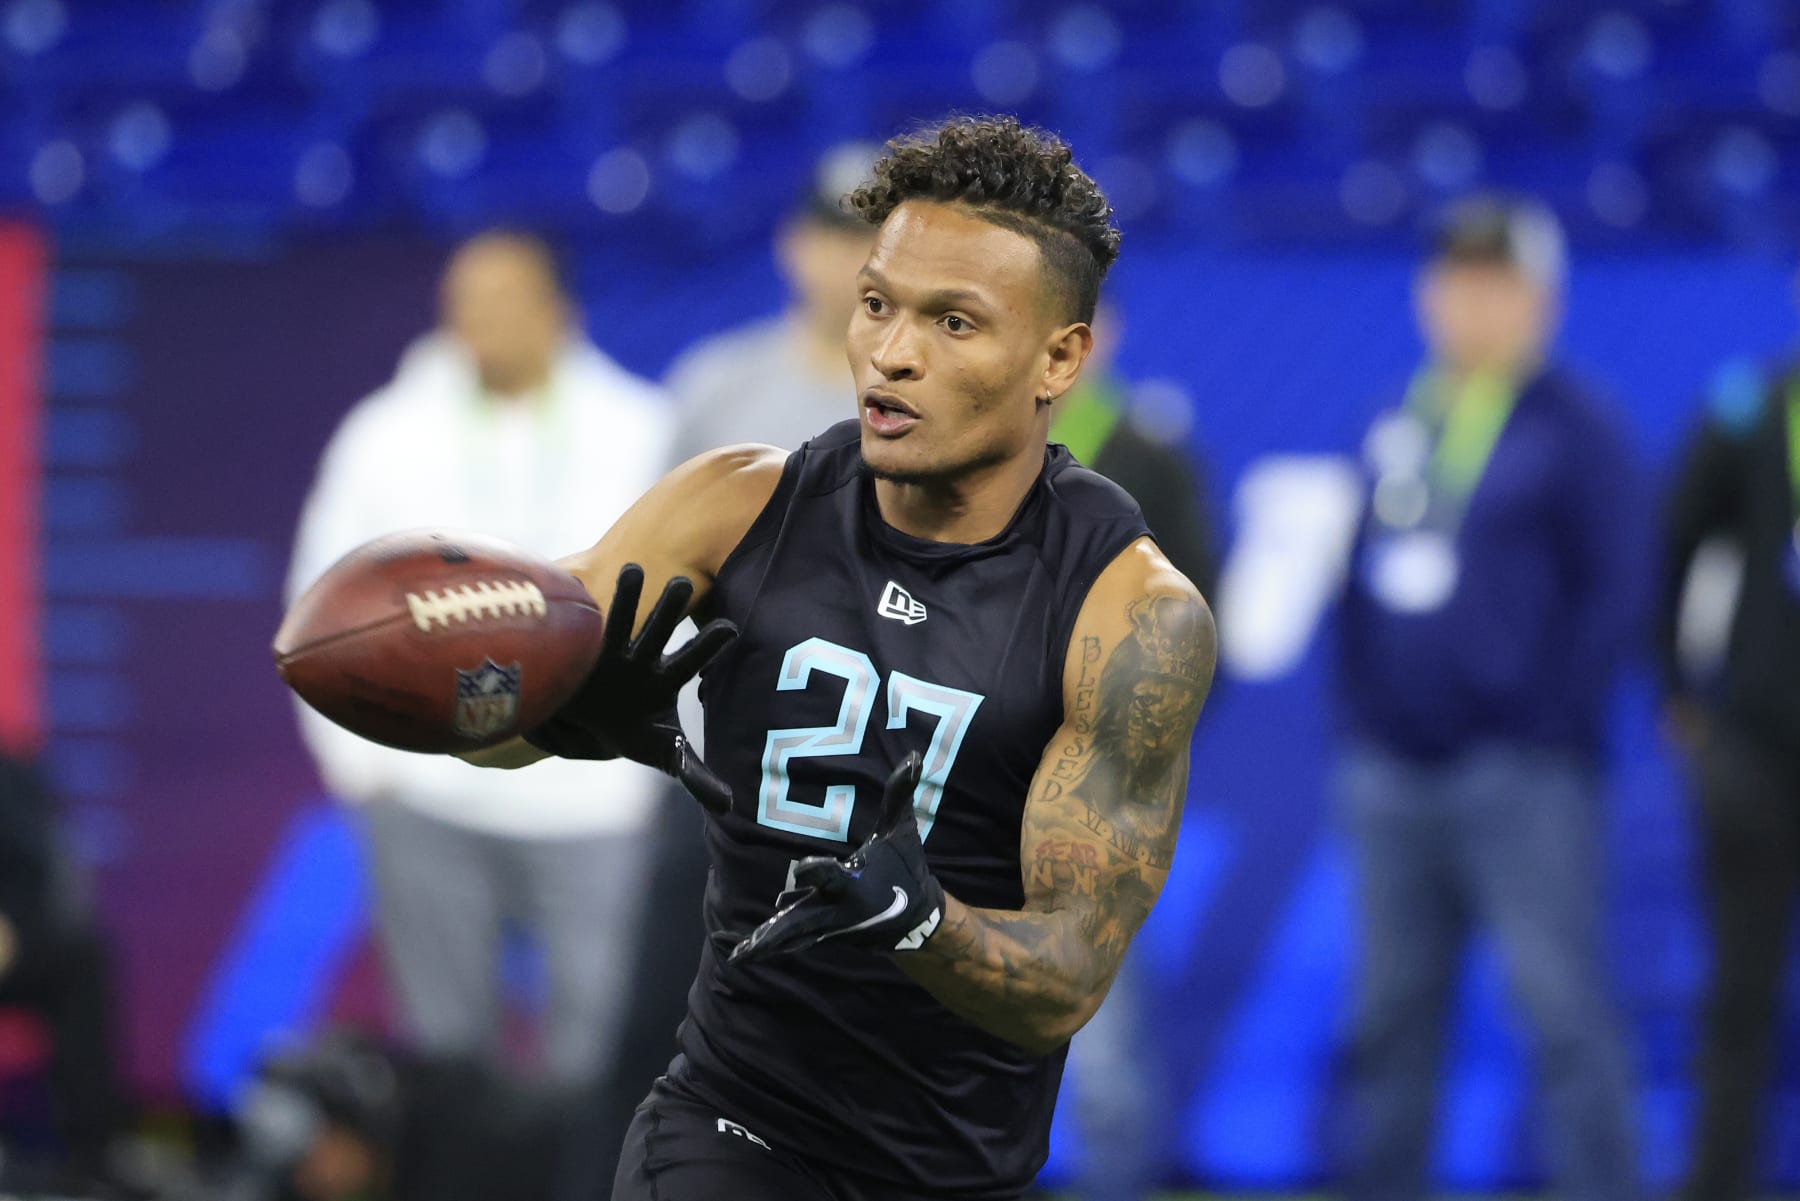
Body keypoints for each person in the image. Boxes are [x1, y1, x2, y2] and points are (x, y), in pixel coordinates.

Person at [464, 115, 1216, 1199]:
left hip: (955, 1164)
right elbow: (476, 711)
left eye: (954, 320)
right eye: (878, 304)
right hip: (735, 1120)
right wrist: (542, 715)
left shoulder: (1130, 612)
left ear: (1061, 356)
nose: (894, 352)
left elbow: (1067, 978)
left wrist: (923, 920)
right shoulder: (736, 503)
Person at [285, 231, 672, 1088]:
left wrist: (650, 773)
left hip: (595, 801)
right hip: (431, 793)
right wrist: (364, 770)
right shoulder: (387, 434)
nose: (482, 324)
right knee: (446, 1062)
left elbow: (687, 602)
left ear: (559, 312)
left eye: (505, 302)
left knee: (600, 1058)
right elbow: (321, 599)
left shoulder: (642, 429)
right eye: (465, 305)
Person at [1331, 197, 1645, 1201]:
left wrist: (1541, 722)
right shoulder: (1400, 415)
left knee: (1559, 1010)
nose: (1471, 302)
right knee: (1389, 1015)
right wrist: (1366, 720)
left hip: (1522, 773)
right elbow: (1355, 582)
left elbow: (1617, 592)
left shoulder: (1580, 425)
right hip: (1393, 770)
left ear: (1541, 300)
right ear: (1428, 294)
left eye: (1495, 282)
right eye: (1455, 280)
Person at [1656, 346, 1800, 1201]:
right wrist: (1676, 688)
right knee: (1739, 994)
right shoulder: (1755, 408)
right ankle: (1717, 1182)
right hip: (1757, 747)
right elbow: (1675, 537)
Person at [0, 752, 132, 1195]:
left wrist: (12, 923)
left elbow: (30, 864)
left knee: (82, 961)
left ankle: (92, 1159)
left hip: (6, 939)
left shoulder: (10, 777)